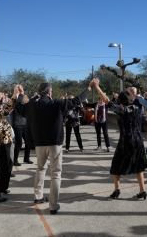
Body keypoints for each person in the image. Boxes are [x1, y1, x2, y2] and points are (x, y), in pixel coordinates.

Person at [14, 80, 94, 215]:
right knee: (55, 174)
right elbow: (76, 101)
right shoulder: (57, 103)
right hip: (55, 144)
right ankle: (53, 205)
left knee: (40, 169)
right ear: (50, 92)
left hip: (39, 144)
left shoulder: (31, 106)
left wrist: (19, 95)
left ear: (39, 93)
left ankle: (38, 196)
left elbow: (18, 107)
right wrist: (89, 88)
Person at [93, 81, 147, 200]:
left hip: (126, 141)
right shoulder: (138, 108)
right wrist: (129, 92)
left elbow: (107, 100)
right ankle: (142, 191)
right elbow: (133, 99)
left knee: (116, 166)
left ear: (121, 102)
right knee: (138, 166)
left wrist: (97, 87)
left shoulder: (122, 111)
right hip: (138, 140)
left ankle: (116, 190)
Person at [11, 94, 33, 165]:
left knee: (28, 143)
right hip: (18, 126)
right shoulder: (17, 106)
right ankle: (15, 160)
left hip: (25, 126)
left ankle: (26, 158)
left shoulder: (26, 106)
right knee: (18, 144)